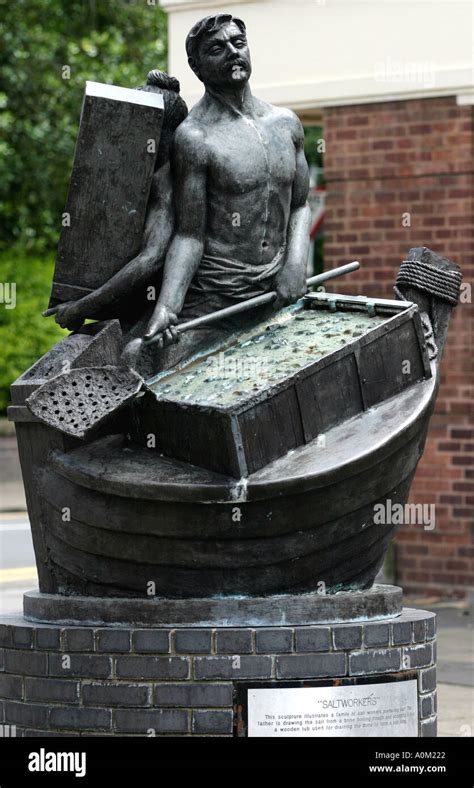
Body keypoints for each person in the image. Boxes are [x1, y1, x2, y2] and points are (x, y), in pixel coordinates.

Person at [133, 13, 311, 375]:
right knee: (141, 363)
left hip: (276, 293)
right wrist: (168, 307)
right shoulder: (194, 137)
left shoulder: (287, 123)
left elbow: (300, 205)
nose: (232, 52)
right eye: (217, 48)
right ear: (197, 68)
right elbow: (189, 234)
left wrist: (295, 265)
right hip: (216, 304)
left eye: (238, 43)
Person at [46, 70, 188, 331]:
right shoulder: (143, 177)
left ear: (153, 128)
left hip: (161, 312)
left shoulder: (167, 182)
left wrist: (81, 307)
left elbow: (150, 260)